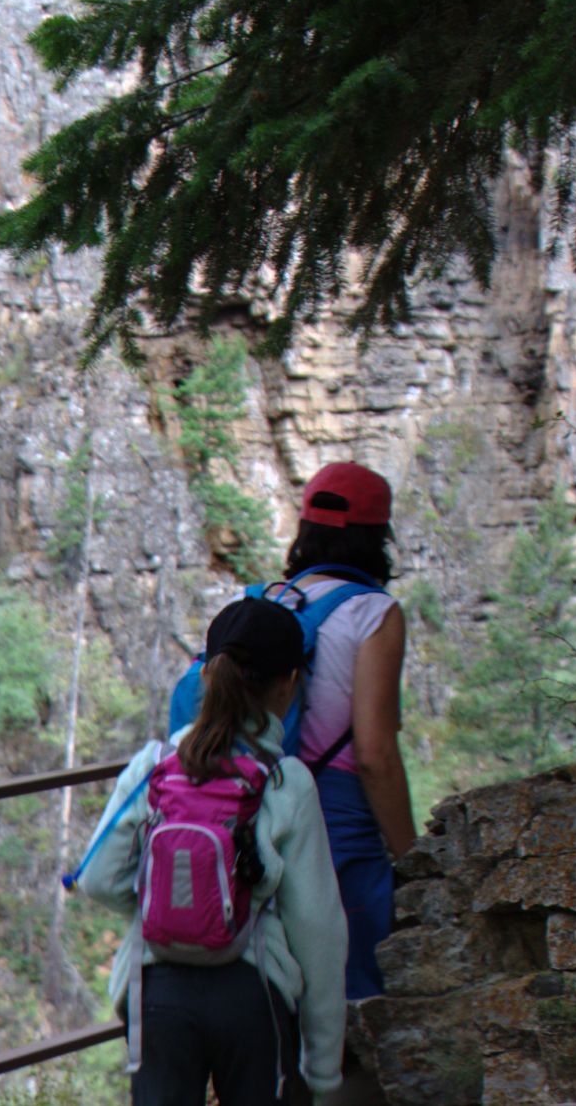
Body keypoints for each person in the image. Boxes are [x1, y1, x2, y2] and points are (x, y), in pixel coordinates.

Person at [75, 598, 348, 1106]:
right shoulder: (287, 783)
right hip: (254, 997)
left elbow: (95, 878)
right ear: (289, 682)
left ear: (205, 675)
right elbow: (319, 934)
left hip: (158, 996)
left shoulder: (153, 766)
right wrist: (324, 1073)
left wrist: (173, 907)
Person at [272, 463, 415, 1002]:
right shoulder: (373, 613)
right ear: (378, 537)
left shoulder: (269, 602)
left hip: (262, 810)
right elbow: (374, 754)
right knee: (355, 995)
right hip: (338, 824)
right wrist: (412, 860)